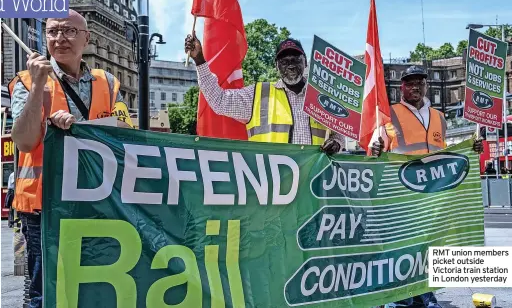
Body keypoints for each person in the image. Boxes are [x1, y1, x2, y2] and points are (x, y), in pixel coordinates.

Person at [8, 9, 129, 308]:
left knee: (94, 286)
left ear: (87, 38)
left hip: (98, 202)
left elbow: (127, 131)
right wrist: (38, 86)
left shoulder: (108, 82)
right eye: (52, 32)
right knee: (44, 292)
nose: (60, 38)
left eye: (69, 31)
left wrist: (88, 127)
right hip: (44, 206)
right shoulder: (25, 81)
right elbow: (23, 141)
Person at [370, 65, 483, 308]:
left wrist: (471, 148)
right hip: (401, 194)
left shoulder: (439, 117)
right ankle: (400, 299)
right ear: (401, 87)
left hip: (432, 196)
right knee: (402, 247)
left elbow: (444, 153)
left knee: (429, 246)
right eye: (409, 83)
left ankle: (424, 294)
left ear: (426, 85)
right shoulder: (388, 116)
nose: (415, 87)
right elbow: (375, 153)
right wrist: (375, 148)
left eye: (419, 82)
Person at [184, 34, 343, 153]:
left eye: (296, 60)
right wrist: (199, 60)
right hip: (271, 186)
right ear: (276, 66)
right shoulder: (257, 95)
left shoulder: (322, 97)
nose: (291, 66)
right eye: (284, 62)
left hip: (312, 183)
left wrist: (336, 143)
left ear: (306, 62)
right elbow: (218, 101)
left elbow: (339, 133)